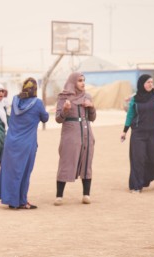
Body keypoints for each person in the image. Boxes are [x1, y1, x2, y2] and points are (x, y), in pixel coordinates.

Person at [0, 77, 49, 209]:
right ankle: (22, 201)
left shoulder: (15, 100)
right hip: (26, 144)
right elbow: (45, 118)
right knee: (24, 172)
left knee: (10, 171)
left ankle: (11, 201)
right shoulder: (37, 103)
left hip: (11, 142)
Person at [120, 74, 154, 193]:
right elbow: (130, 115)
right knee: (138, 158)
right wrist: (124, 131)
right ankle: (137, 186)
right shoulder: (135, 99)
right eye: (148, 82)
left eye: (152, 82)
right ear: (142, 84)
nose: (151, 84)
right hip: (138, 133)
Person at [54, 72, 96, 206]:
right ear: (72, 82)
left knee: (86, 163)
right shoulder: (63, 98)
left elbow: (92, 118)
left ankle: (86, 195)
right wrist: (65, 110)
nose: (83, 83)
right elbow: (58, 119)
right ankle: (59, 196)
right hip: (70, 133)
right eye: (79, 80)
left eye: (84, 80)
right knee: (66, 162)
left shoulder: (87, 96)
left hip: (86, 133)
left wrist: (92, 106)